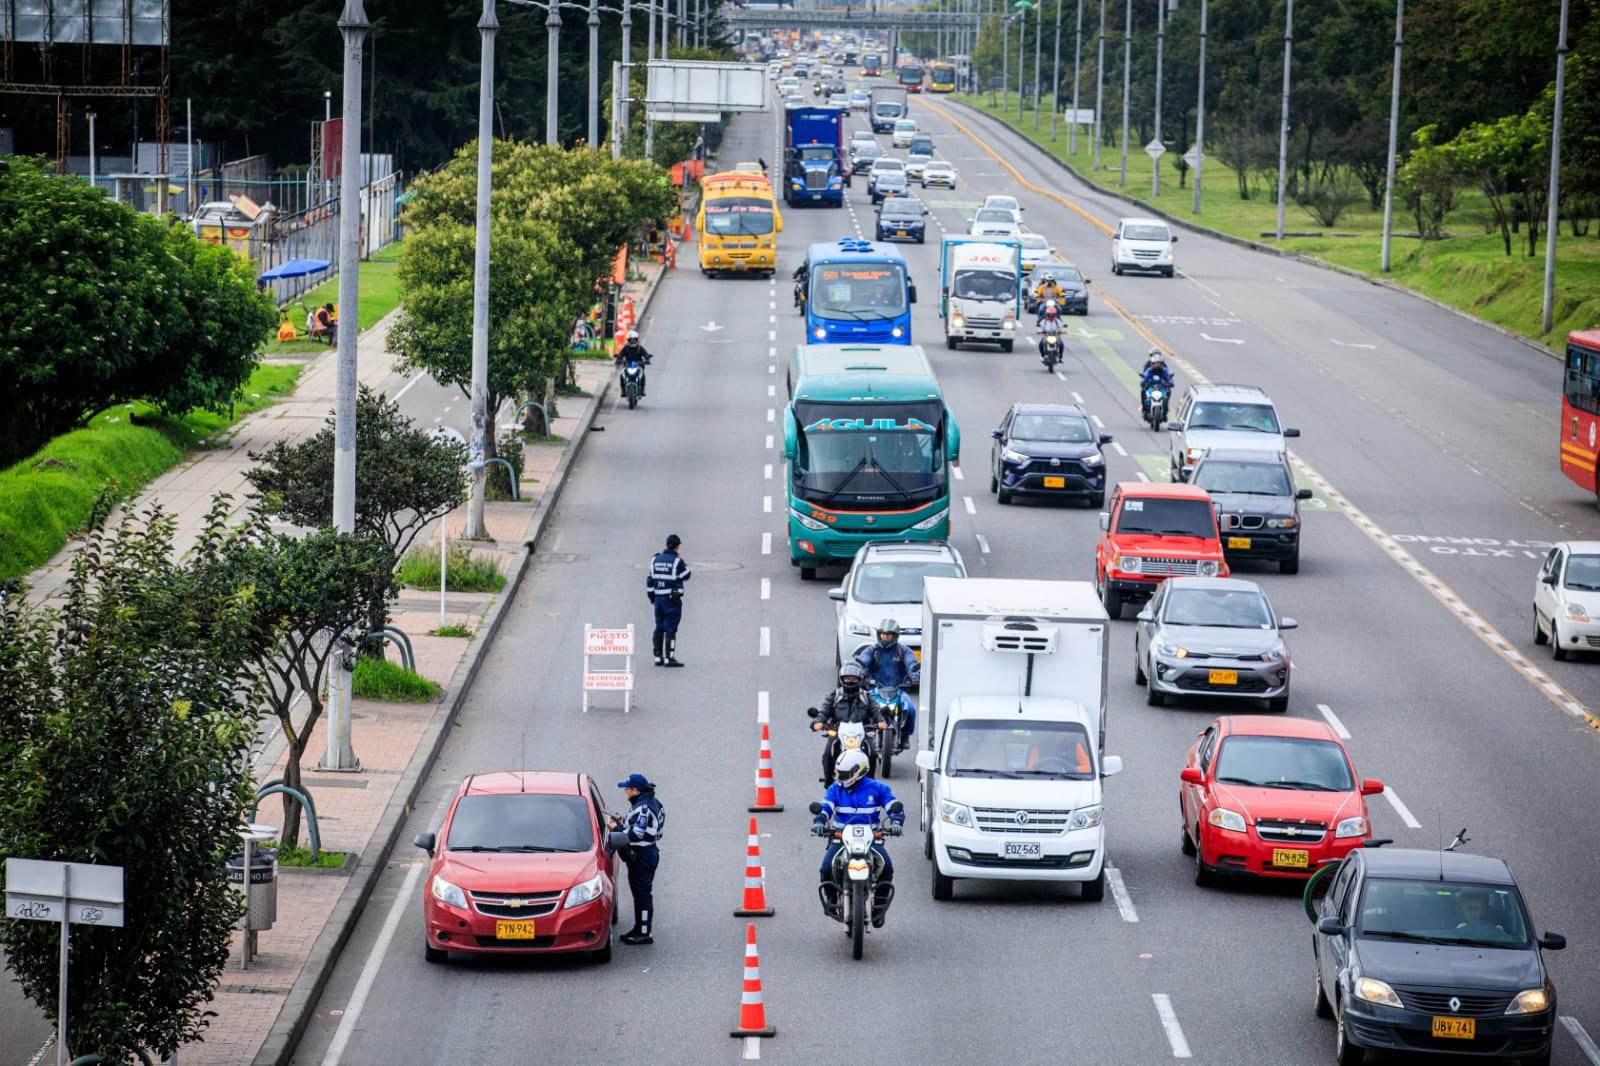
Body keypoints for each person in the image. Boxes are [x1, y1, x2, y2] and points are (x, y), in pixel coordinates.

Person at [812, 750, 903, 927]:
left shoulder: (878, 788)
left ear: (859, 771)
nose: (840, 778)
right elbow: (825, 807)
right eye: (839, 774)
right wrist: (819, 821)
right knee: (825, 868)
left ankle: (878, 907)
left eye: (844, 774)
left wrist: (896, 822)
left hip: (872, 839)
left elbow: (894, 807)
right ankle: (831, 900)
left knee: (887, 867)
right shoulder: (835, 789)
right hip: (840, 839)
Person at [609, 773, 665, 945]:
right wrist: (623, 821)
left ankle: (644, 932)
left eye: (627, 789)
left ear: (635, 790)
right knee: (639, 894)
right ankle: (639, 927)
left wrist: (616, 827)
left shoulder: (643, 808)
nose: (626, 791)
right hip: (647, 853)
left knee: (642, 895)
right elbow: (640, 825)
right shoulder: (650, 803)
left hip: (643, 856)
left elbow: (636, 833)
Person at [810, 662, 889, 782]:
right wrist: (819, 722)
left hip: (862, 732)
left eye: (853, 679)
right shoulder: (835, 695)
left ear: (860, 679)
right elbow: (824, 711)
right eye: (847, 678)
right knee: (827, 754)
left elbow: (876, 710)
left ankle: (871, 782)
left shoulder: (866, 696)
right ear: (841, 679)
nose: (850, 681)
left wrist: (881, 721)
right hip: (837, 731)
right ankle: (829, 782)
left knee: (872, 753)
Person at [854, 619, 919, 751]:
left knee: (911, 710)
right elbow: (863, 660)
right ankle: (862, 736)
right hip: (875, 690)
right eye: (882, 634)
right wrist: (858, 668)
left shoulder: (903, 650)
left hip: (897, 690)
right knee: (860, 708)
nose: (885, 637)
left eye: (888, 634)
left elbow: (911, 663)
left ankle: (905, 736)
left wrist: (914, 674)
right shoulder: (872, 650)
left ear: (895, 636)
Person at [645, 533, 691, 666]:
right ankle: (669, 658)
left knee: (659, 626)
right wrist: (680, 560)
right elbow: (686, 575)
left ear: (666, 545)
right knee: (671, 628)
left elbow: (650, 581)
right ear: (677, 547)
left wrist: (652, 598)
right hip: (672, 599)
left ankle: (658, 657)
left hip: (658, 599)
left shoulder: (655, 559)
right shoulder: (677, 561)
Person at [615, 329, 652, 397]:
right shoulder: (626, 348)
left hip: (638, 365)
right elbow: (620, 355)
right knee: (622, 376)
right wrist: (618, 359)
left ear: (637, 340)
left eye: (634, 340)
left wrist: (647, 359)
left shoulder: (640, 348)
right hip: (628, 365)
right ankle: (623, 390)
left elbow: (645, 354)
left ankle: (642, 389)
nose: (633, 341)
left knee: (642, 375)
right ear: (628, 340)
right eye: (631, 340)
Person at [1140, 349, 1175, 418]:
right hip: (1150, 386)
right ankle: (1144, 408)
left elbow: (1169, 377)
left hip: (1161, 387)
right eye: (1156, 363)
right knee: (1143, 391)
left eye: (1159, 363)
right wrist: (1143, 382)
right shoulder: (1149, 369)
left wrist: (1170, 383)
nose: (1157, 365)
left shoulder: (1164, 370)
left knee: (1168, 392)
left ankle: (1165, 410)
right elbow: (1144, 376)